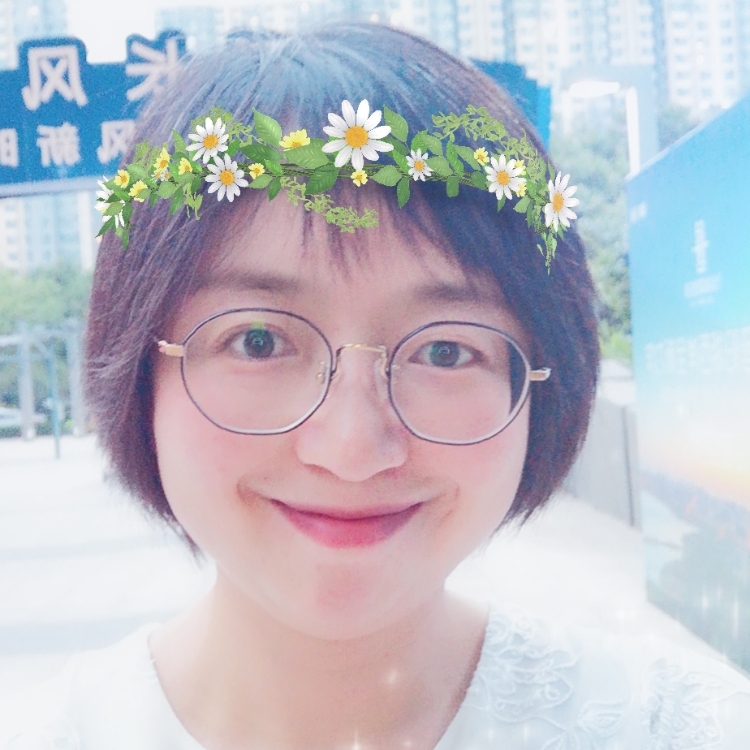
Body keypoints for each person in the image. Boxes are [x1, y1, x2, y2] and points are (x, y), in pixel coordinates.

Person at [3, 23, 750, 749]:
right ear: (139, 372)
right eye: (258, 341)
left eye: (446, 351)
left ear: (545, 380)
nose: (353, 449)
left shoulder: (680, 728)